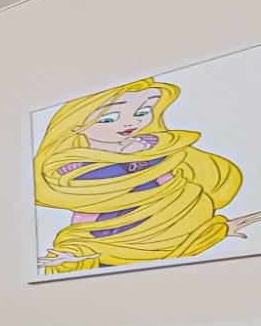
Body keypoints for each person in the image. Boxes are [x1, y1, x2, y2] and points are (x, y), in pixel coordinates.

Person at [34, 79, 256, 275]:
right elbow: (87, 215)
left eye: (141, 112)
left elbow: (177, 195)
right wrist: (73, 253)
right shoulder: (73, 168)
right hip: (109, 238)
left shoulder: (157, 149)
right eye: (110, 118)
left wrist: (216, 231)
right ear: (76, 124)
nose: (130, 123)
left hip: (164, 236)